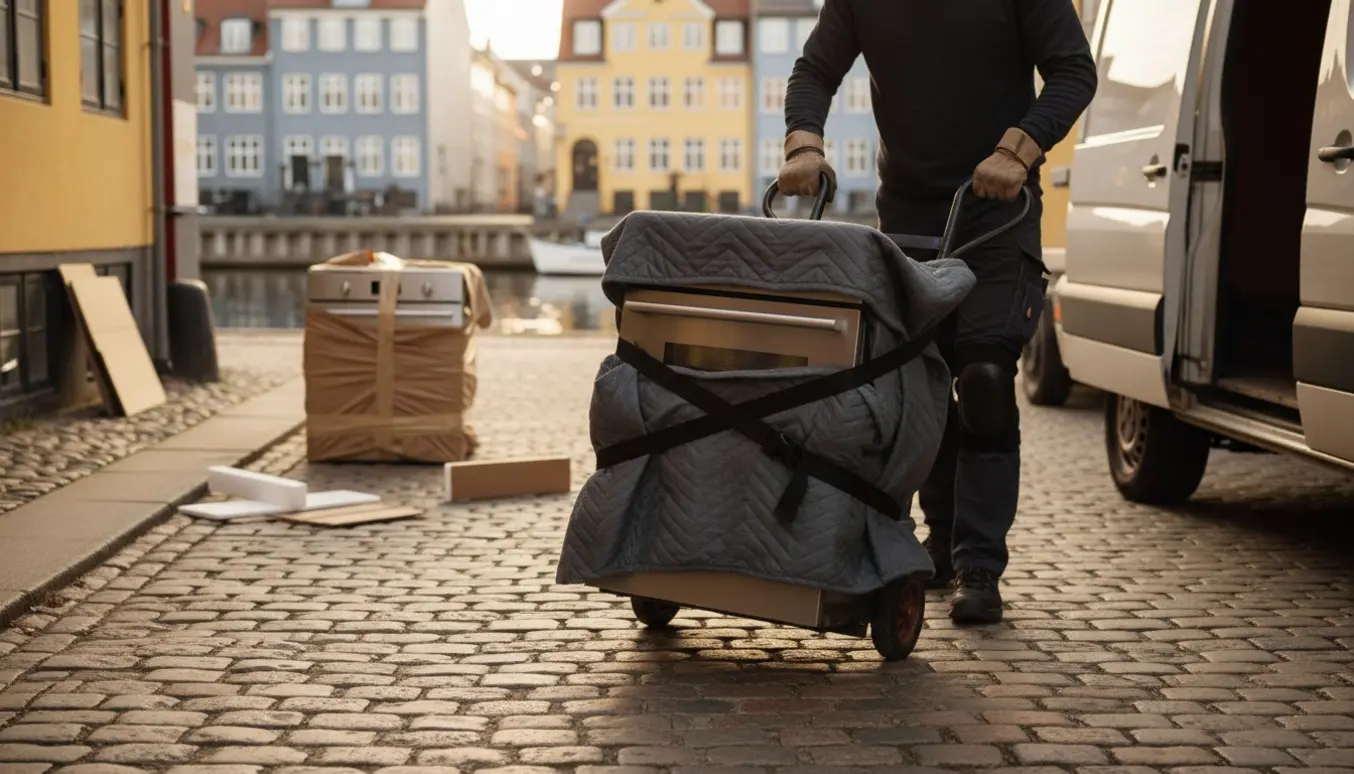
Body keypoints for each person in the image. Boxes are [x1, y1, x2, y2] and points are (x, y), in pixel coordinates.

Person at [778, 0, 1097, 625]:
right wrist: (804, 144)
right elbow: (815, 70)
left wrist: (1019, 150)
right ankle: (942, 538)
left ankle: (979, 562)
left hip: (996, 208)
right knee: (918, 383)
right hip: (910, 216)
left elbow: (1072, 71)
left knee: (982, 375)